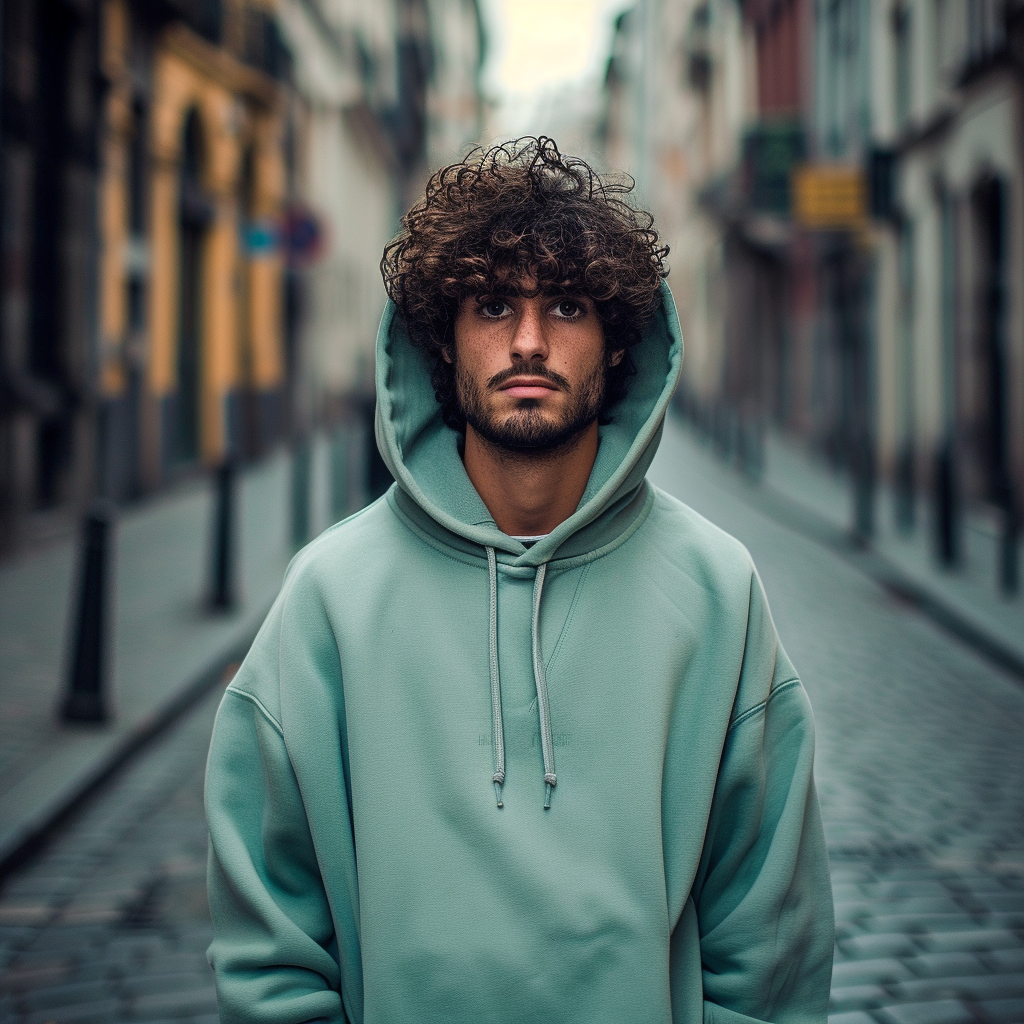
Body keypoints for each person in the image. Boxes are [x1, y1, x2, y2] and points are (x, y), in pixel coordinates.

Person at [205, 138, 834, 1024]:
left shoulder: (715, 588)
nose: (529, 341)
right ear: (443, 341)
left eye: (568, 307)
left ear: (616, 344)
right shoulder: (329, 599)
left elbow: (768, 932)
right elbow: (269, 936)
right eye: (494, 305)